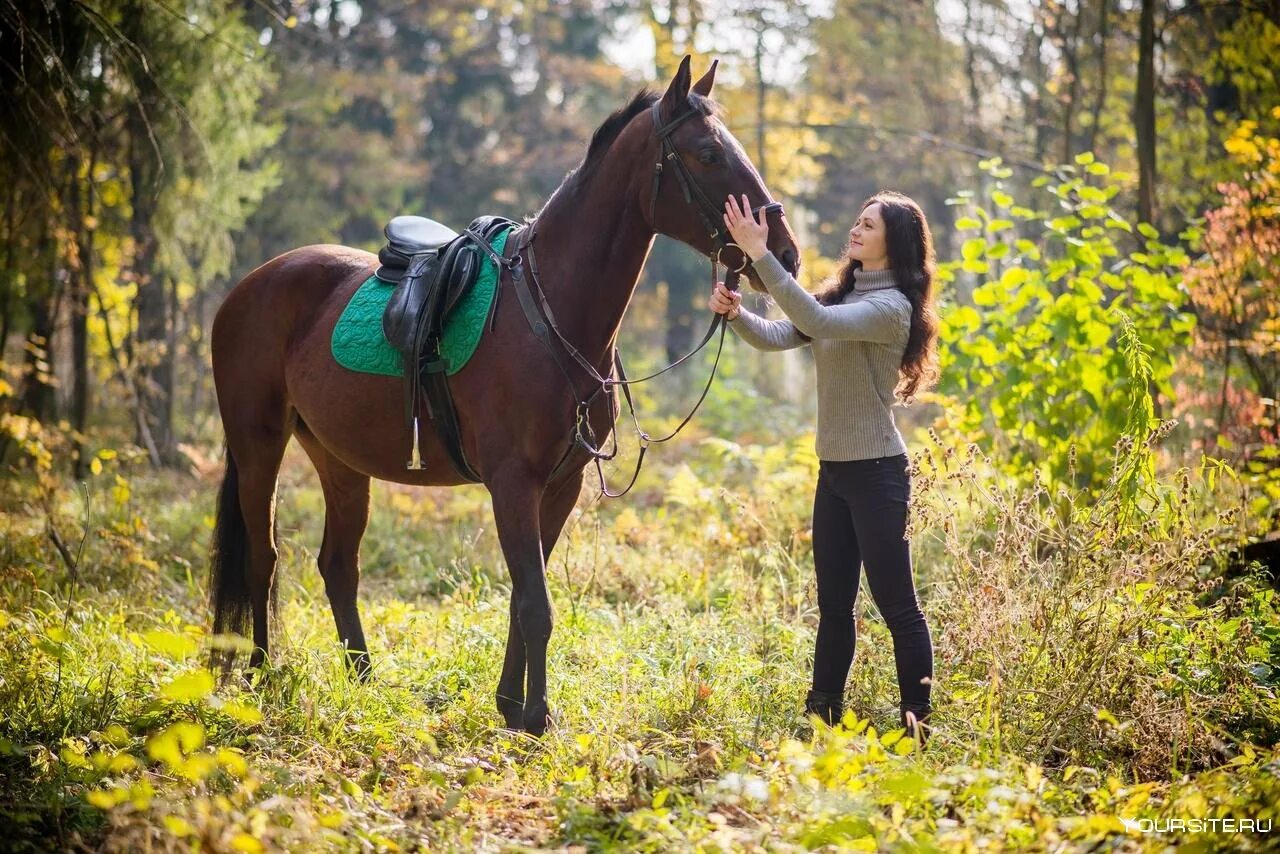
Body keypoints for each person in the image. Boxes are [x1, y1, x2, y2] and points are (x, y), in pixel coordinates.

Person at [710, 191, 940, 746]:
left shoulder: (891, 309)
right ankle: (823, 718)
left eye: (868, 225)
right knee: (834, 606)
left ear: (895, 241)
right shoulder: (844, 295)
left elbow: (809, 317)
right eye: (856, 221)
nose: (855, 231)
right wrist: (737, 313)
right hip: (834, 473)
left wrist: (760, 252)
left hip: (879, 474)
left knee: (896, 606)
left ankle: (917, 725)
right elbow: (779, 334)